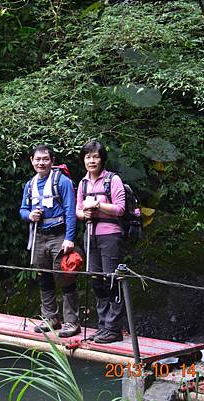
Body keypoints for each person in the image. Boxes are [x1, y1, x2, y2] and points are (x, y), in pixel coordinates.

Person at [19, 144, 80, 337]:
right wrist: (30, 216)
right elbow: (22, 209)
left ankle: (71, 322)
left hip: (59, 235)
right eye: (37, 159)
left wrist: (70, 238)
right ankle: (50, 318)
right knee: (43, 277)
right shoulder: (30, 184)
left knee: (66, 276)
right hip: (39, 236)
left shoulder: (62, 182)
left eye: (45, 159)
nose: (41, 163)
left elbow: (71, 211)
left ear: (52, 161)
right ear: (31, 161)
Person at [76, 140, 125, 344]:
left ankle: (114, 329)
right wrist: (84, 213)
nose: (92, 160)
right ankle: (103, 325)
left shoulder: (112, 180)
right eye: (88, 157)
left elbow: (120, 209)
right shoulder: (83, 183)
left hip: (110, 235)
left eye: (95, 156)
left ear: (102, 159)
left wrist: (98, 205)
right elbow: (77, 210)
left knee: (111, 280)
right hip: (91, 235)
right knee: (96, 282)